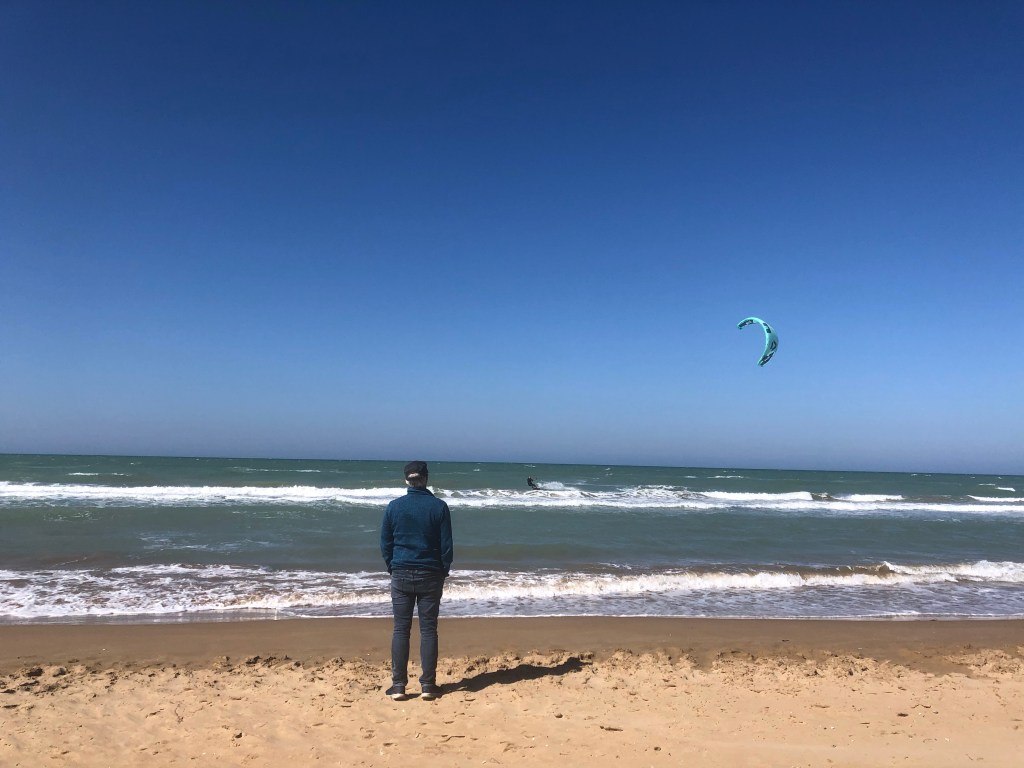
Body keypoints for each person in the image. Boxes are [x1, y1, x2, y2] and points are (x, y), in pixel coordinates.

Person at [380, 460, 454, 702]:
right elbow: (446, 547)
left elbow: (385, 544)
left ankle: (398, 686)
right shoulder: (439, 507)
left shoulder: (394, 507)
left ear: (406, 480)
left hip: (401, 572)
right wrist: (443, 570)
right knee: (428, 630)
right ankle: (428, 685)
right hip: (430, 574)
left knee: (401, 629)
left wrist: (392, 566)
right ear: (426, 478)